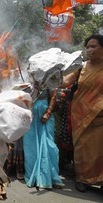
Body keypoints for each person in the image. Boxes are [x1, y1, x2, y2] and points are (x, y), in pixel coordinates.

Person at [61, 34, 103, 192]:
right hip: (81, 114)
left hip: (101, 117)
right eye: (88, 47)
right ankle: (82, 179)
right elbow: (65, 82)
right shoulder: (81, 67)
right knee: (82, 148)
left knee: (100, 149)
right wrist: (50, 76)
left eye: (94, 46)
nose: (89, 50)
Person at [23, 87, 64, 189]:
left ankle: (52, 177)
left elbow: (53, 95)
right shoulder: (26, 77)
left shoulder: (48, 75)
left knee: (49, 145)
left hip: (44, 114)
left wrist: (48, 113)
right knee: (30, 146)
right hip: (30, 114)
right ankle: (33, 177)